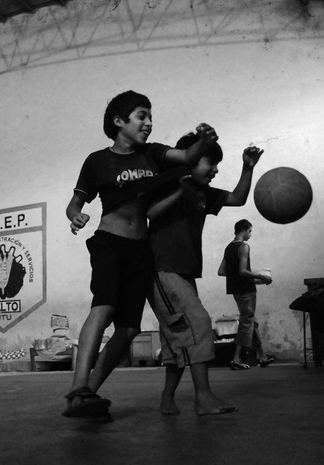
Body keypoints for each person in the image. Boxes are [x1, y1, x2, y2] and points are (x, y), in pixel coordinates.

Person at [63, 90, 219, 418]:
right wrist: (74, 215)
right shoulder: (97, 161)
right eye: (141, 116)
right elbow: (76, 201)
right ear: (119, 122)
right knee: (103, 309)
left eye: (150, 117)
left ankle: (89, 392)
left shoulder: (155, 154)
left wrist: (203, 143)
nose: (148, 123)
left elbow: (188, 156)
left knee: (129, 329)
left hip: (141, 249)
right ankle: (78, 387)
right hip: (109, 242)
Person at [148, 135, 264, 415]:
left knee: (177, 337)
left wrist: (247, 167)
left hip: (185, 272)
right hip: (162, 269)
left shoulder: (204, 193)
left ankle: (167, 399)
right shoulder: (169, 182)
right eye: (210, 162)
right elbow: (150, 212)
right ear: (190, 158)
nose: (215, 170)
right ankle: (203, 397)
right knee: (199, 323)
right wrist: (180, 188)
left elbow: (237, 198)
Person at [218, 219, 274, 370]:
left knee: (250, 320)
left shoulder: (228, 248)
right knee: (246, 322)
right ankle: (236, 359)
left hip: (236, 290)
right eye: (250, 231)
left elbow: (222, 271)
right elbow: (242, 271)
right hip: (246, 291)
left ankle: (262, 356)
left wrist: (243, 277)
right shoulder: (244, 246)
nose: (251, 234)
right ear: (243, 230)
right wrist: (261, 276)